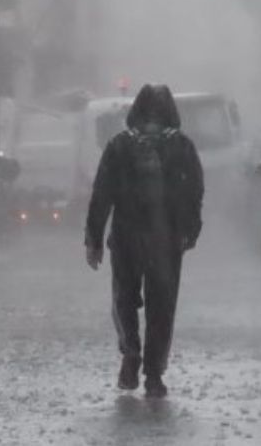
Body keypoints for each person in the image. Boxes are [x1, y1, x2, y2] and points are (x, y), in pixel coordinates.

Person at [85, 84, 204, 398]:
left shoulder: (119, 146)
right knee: (161, 306)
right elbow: (195, 192)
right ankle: (153, 374)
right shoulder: (182, 147)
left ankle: (130, 350)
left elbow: (102, 194)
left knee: (124, 298)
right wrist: (190, 230)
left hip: (126, 237)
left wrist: (93, 238)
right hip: (166, 240)